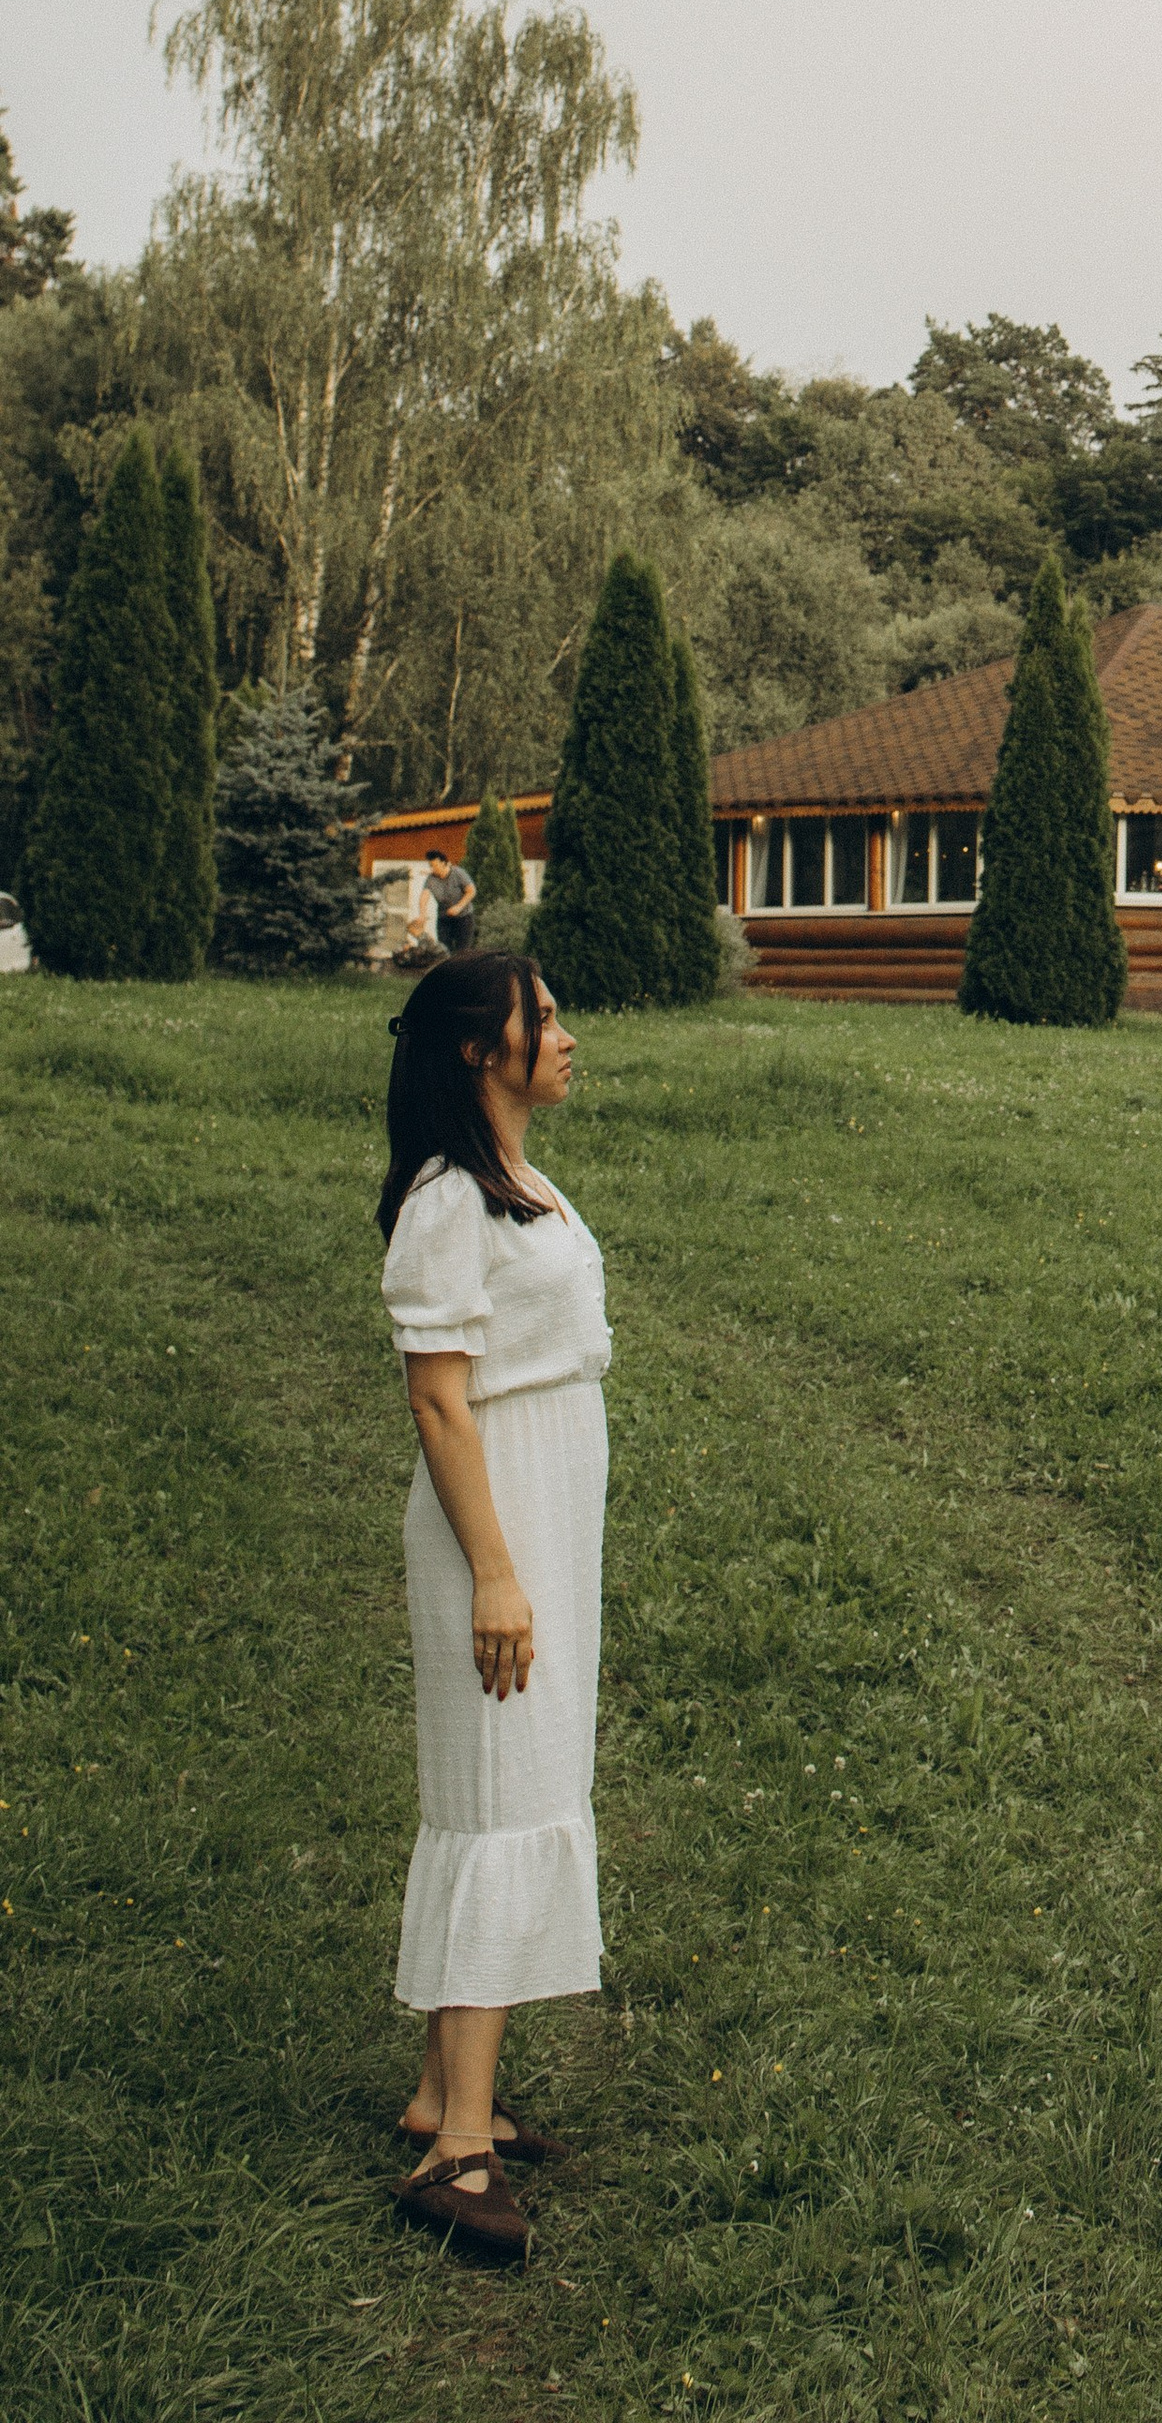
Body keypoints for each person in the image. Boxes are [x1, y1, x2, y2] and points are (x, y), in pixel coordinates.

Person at [376, 949, 611, 2261]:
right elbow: (437, 1400)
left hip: (544, 1509)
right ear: (481, 1050)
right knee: (498, 1802)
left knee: (516, 1787)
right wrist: (500, 1572)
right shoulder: (449, 1201)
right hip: (494, 1521)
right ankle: (458, 2153)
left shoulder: (517, 1182)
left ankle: (437, 2094)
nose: (567, 1037)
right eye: (545, 1020)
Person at [418, 848, 478, 952]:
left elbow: (471, 891)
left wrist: (458, 907)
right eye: (430, 866)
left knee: (462, 952)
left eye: (434, 866)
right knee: (444, 950)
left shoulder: (458, 873)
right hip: (444, 918)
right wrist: (422, 914)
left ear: (444, 863)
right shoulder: (431, 879)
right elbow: (424, 897)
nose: (432, 869)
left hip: (464, 917)